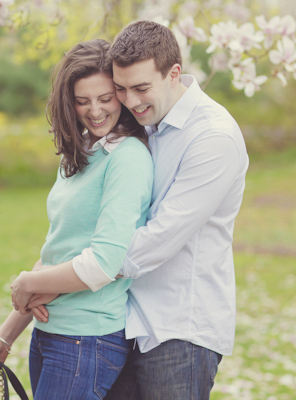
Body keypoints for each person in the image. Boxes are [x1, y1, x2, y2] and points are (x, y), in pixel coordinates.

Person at [0, 39, 153, 400]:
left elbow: (105, 262)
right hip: (50, 335)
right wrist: (5, 336)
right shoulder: (79, 155)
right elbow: (58, 252)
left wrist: (27, 282)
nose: (96, 111)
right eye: (82, 101)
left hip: (87, 340)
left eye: (106, 98)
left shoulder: (128, 158)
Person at [103, 21, 249, 400]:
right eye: (121, 89)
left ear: (174, 74)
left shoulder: (212, 136)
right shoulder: (144, 125)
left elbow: (159, 240)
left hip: (179, 333)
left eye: (141, 88)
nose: (131, 101)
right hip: (125, 321)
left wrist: (72, 273)